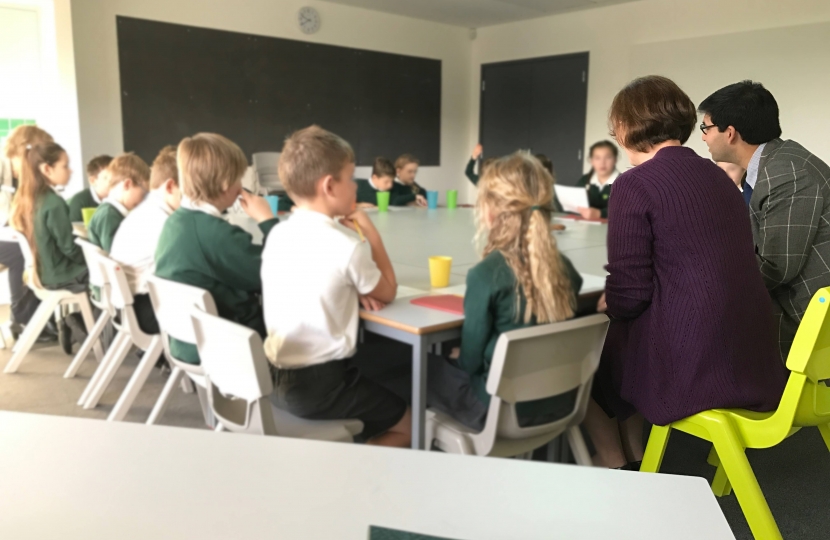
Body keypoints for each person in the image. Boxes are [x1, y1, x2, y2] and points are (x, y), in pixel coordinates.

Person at [585, 76, 787, 470]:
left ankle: (613, 461)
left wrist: (606, 300)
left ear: (625, 128)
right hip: (749, 354)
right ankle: (638, 452)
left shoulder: (633, 184)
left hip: (697, 365)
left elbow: (629, 294)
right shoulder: (720, 176)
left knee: (590, 359)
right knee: (628, 340)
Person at [262, 125, 411, 448]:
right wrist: (371, 234)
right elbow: (388, 290)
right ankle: (357, 481)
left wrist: (350, 288)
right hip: (319, 387)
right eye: (350, 176)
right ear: (329, 186)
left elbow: (311, 276)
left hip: (270, 379)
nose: (356, 185)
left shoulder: (278, 234)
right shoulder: (346, 245)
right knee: (410, 426)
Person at [427, 152, 583, 431]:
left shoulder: (486, 275)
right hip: (561, 403)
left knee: (420, 369)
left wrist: (458, 356)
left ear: (489, 211)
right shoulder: (566, 270)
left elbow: (471, 361)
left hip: (499, 412)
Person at [699, 80, 830, 360]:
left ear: (730, 133)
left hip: (807, 324)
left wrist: (708, 286)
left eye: (706, 128)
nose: (703, 138)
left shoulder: (786, 172)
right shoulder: (771, 167)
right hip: (797, 314)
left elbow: (776, 266)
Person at [154, 133, 277, 365]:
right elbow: (274, 273)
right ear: (224, 183)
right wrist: (266, 220)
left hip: (187, 340)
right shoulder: (215, 234)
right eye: (240, 177)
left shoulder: (175, 221)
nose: (242, 185)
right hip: (229, 344)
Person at [10, 142, 91, 351]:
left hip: (46, 273)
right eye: (65, 166)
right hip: (60, 275)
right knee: (108, 278)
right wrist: (92, 260)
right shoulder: (54, 203)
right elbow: (69, 249)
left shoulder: (30, 199)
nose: (70, 170)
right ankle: (82, 325)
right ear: (47, 169)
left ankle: (78, 324)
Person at [109, 146, 181, 335]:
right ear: (170, 186)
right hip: (142, 311)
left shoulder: (144, 211)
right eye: (190, 191)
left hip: (125, 306)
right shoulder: (163, 223)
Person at [0, 125, 53, 337]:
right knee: (21, 252)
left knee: (38, 247)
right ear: (24, 150)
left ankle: (32, 316)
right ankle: (24, 321)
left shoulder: (20, 176)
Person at [87, 153, 149, 252]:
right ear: (127, 184)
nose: (144, 198)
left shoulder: (109, 211)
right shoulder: (109, 215)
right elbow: (116, 253)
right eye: (144, 192)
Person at [575, 141, 620, 219]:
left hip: (616, 228)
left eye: (608, 157)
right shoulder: (585, 180)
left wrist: (600, 213)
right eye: (597, 158)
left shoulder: (624, 182)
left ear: (615, 159)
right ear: (592, 161)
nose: (602, 163)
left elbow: (627, 209)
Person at [67, 155, 113, 223]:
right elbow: (73, 230)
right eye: (107, 178)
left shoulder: (120, 198)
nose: (115, 181)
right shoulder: (79, 201)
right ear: (93, 181)